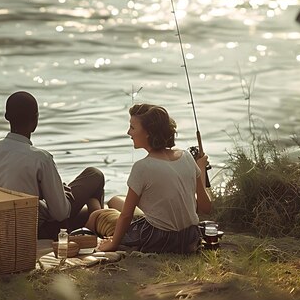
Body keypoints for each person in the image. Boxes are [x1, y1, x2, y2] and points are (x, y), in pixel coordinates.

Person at [0, 91, 105, 240]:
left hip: (0, 228)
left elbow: (9, 186)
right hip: (35, 231)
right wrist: (61, 192)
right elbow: (61, 213)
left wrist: (43, 191)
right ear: (36, 120)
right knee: (94, 174)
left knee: (81, 210)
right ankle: (100, 231)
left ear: (6, 117)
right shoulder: (40, 159)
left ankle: (96, 222)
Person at [87, 103, 211, 254]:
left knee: (96, 215)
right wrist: (201, 169)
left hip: (160, 239)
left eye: (132, 127)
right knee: (114, 200)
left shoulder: (142, 167)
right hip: (190, 237)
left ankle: (92, 218)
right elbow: (206, 207)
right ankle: (96, 204)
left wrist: (113, 243)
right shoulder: (186, 157)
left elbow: (126, 216)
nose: (128, 132)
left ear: (148, 132)